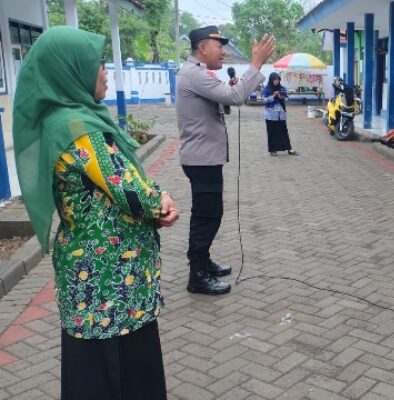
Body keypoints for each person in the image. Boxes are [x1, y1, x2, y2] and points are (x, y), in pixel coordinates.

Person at [13, 27, 178, 400]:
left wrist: (157, 196)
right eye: (96, 64)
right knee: (116, 374)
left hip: (104, 279)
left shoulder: (73, 119)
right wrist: (162, 203)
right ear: (72, 71)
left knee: (105, 369)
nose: (104, 72)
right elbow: (128, 190)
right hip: (108, 283)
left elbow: (124, 179)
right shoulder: (78, 128)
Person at [176, 26, 275, 295]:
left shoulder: (198, 73)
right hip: (201, 159)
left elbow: (224, 100)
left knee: (208, 213)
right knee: (206, 216)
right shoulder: (194, 74)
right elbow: (236, 97)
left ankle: (203, 262)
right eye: (219, 46)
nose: (225, 51)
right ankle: (197, 275)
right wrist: (255, 64)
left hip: (204, 158)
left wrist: (230, 92)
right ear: (202, 47)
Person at [263, 72, 298, 156]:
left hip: (281, 114)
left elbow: (287, 98)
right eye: (275, 80)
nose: (277, 81)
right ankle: (273, 150)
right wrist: (273, 96)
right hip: (271, 115)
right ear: (271, 80)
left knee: (284, 131)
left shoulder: (282, 88)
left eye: (278, 80)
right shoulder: (267, 89)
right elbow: (264, 100)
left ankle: (289, 149)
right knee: (272, 132)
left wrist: (281, 97)